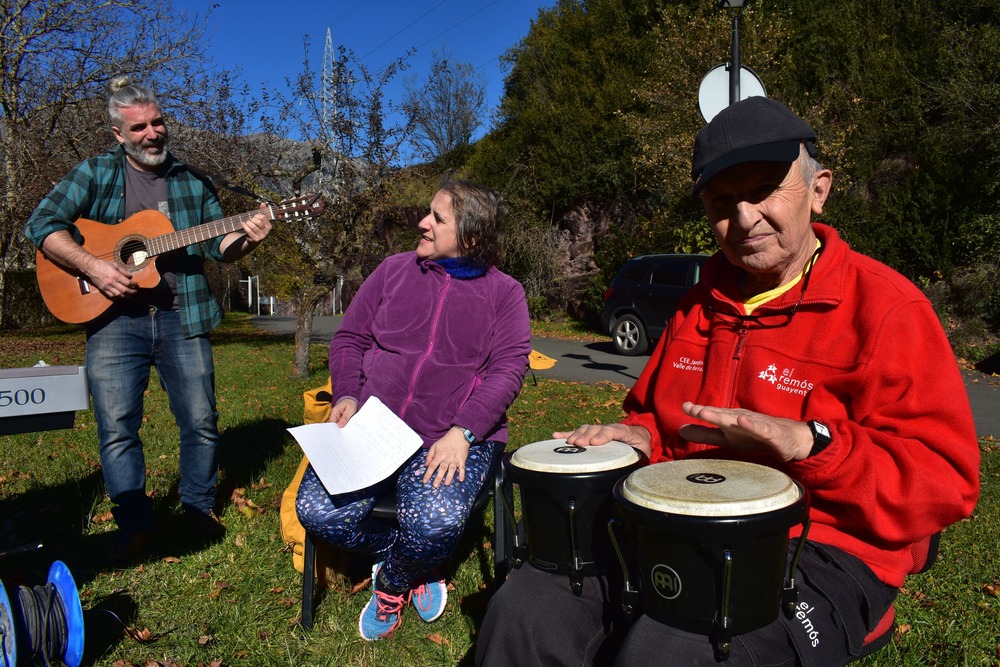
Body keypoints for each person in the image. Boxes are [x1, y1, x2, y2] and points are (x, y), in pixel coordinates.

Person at [476, 97, 981, 666]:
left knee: (673, 651)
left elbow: (946, 480)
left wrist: (811, 446)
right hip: (679, 527)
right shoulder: (697, 306)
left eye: (765, 189)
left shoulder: (888, 309)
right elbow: (657, 419)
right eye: (722, 201)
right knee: (525, 608)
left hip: (820, 548)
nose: (743, 218)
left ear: (819, 189)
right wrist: (638, 437)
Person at [24, 76, 273, 563]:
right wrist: (94, 265)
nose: (152, 133)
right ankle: (135, 523)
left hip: (182, 314)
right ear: (119, 134)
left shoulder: (193, 181)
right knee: (117, 426)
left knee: (201, 420)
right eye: (139, 127)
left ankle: (197, 508)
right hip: (114, 318)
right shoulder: (95, 173)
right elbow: (42, 224)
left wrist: (249, 236)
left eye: (158, 122)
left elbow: (217, 246)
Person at [295, 179, 531, 641]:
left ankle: (393, 580)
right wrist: (346, 394)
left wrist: (464, 432)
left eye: (438, 219)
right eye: (429, 212)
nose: (422, 223)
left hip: (446, 436)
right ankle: (415, 559)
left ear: (473, 237)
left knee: (436, 521)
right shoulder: (392, 271)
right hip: (374, 429)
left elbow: (508, 370)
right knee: (317, 511)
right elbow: (350, 338)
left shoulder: (505, 294)